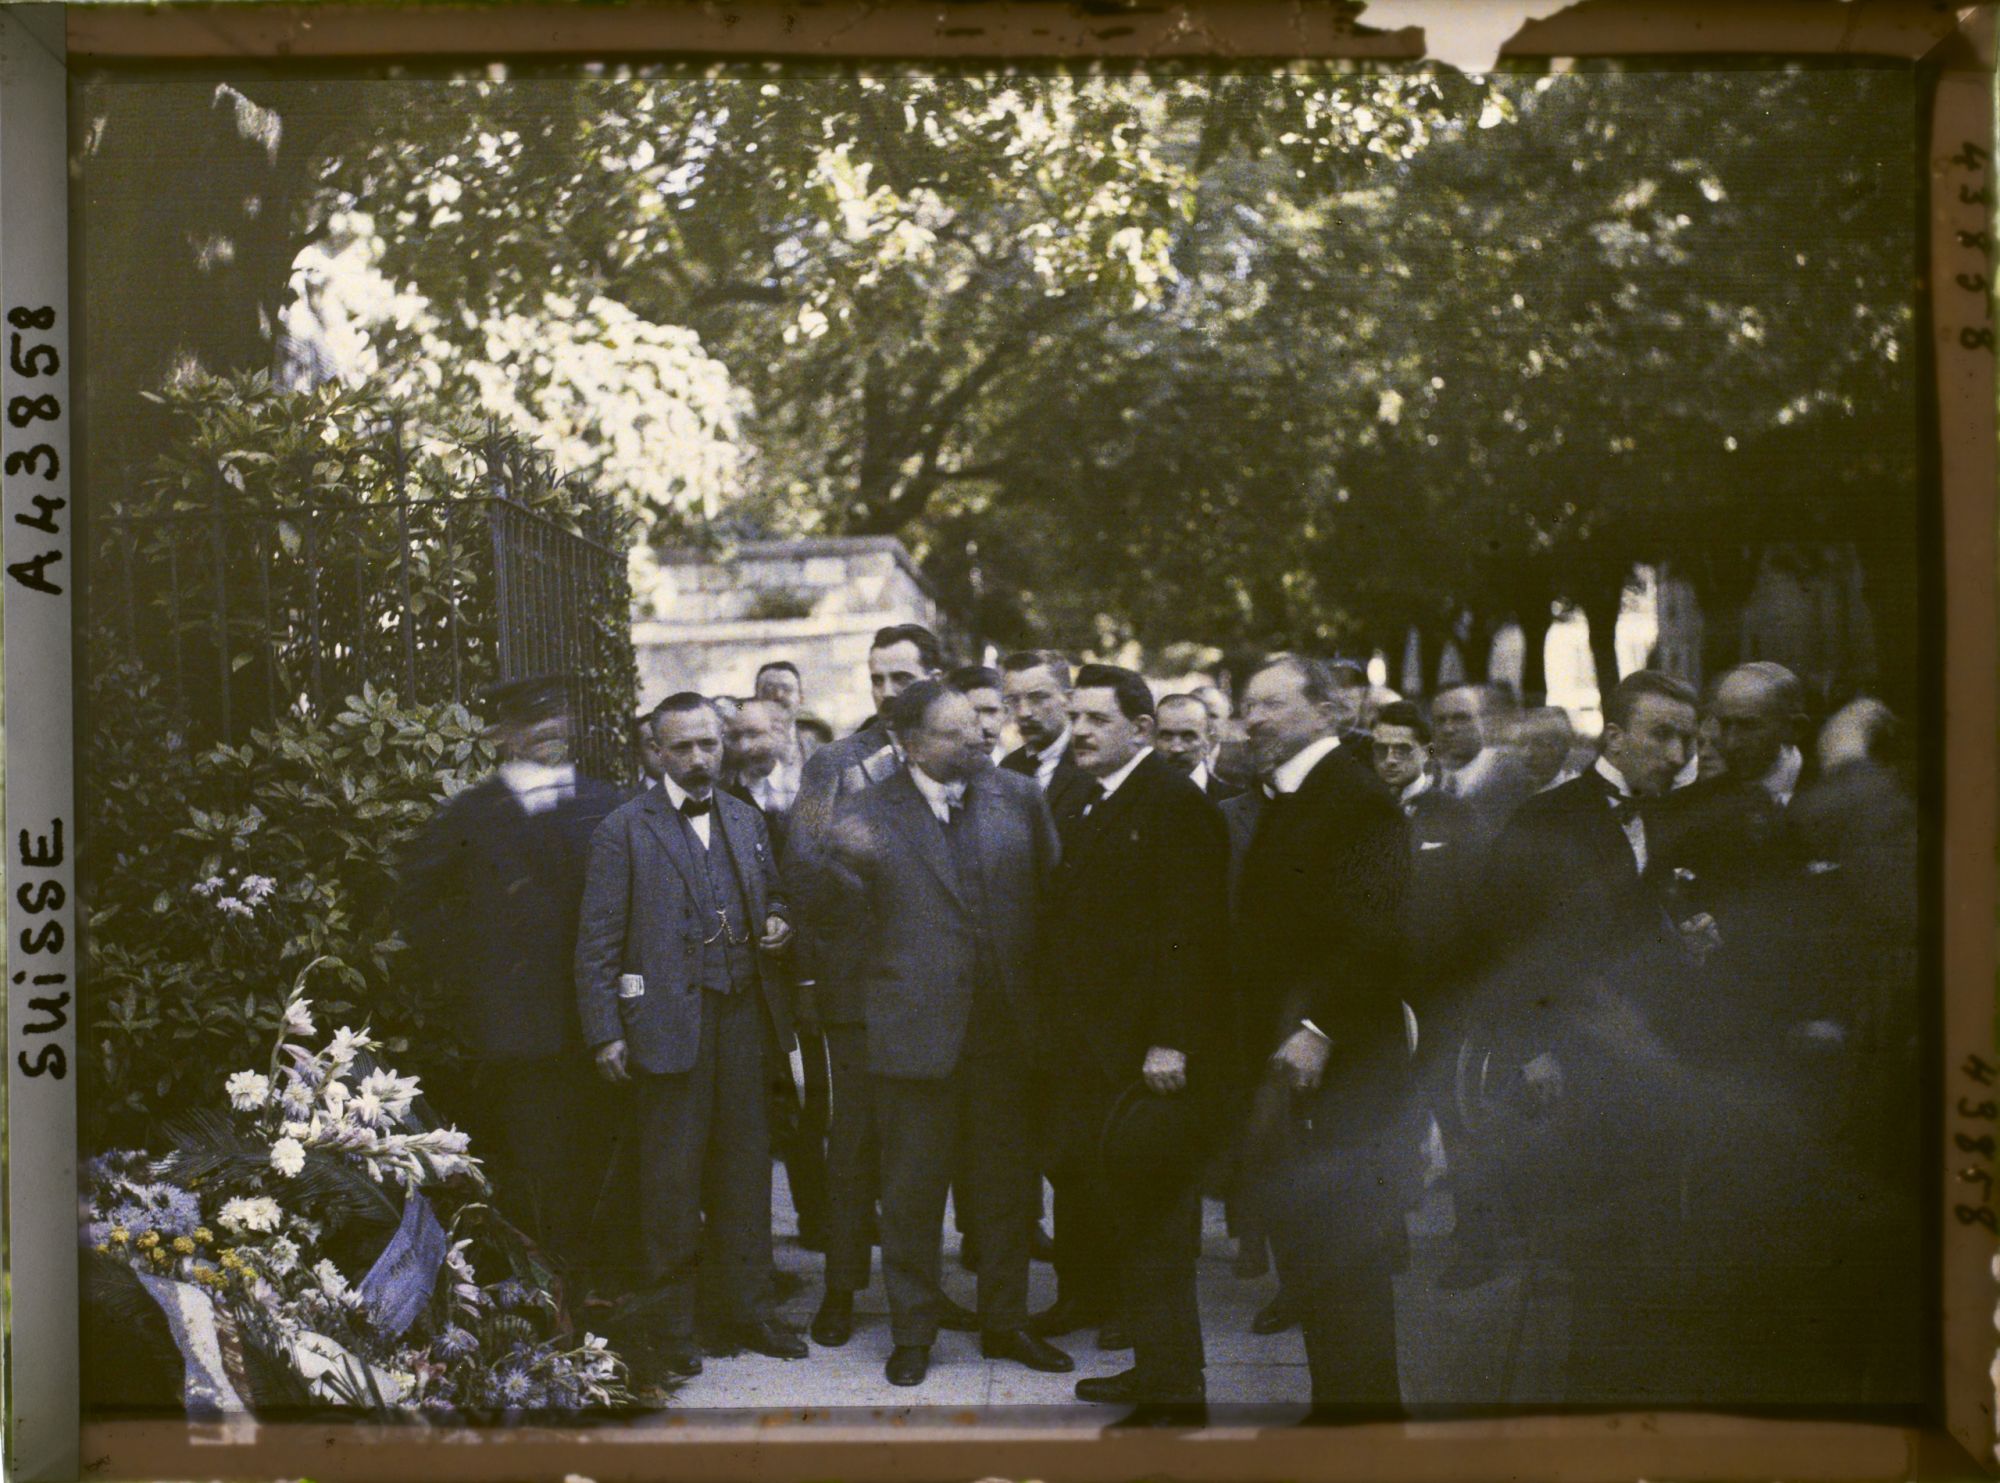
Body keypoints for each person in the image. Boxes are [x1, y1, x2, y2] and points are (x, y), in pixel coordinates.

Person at [823, 680, 1071, 1386]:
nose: (979, 739)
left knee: (1007, 1191)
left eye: (978, 726)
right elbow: (838, 931)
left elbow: (1051, 899)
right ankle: (913, 1333)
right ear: (909, 744)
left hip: (1006, 1035)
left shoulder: (1018, 797)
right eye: (955, 732)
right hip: (913, 1038)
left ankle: (1006, 1322)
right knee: (911, 1195)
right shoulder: (863, 815)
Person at [1474, 669, 1704, 1405]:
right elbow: (1503, 946)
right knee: (1596, 1246)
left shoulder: (1677, 817)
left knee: (1654, 1238)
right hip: (1573, 1068)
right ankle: (1593, 1400)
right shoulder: (1546, 820)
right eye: (1661, 735)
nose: (1676, 754)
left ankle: (1639, 1395)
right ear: (1614, 736)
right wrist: (1530, 1051)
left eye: (1687, 739)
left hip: (1656, 1063)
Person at [574, 693, 809, 1378]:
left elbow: (775, 892)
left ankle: (751, 1310)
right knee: (670, 1180)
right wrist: (604, 1033)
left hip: (744, 1018)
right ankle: (672, 1326)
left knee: (746, 1171)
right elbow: (597, 940)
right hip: (668, 1026)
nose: (700, 757)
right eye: (683, 747)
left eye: (709, 743)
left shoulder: (745, 816)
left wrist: (780, 920)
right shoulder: (623, 828)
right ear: (657, 752)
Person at [1035, 665, 1229, 1418]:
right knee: (1128, 1218)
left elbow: (1193, 935)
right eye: (1076, 718)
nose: (1080, 732)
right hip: (1096, 1049)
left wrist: (1171, 1040)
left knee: (1157, 1225)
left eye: (1098, 719)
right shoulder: (1092, 796)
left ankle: (1176, 1389)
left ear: (1142, 729)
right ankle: (1154, 1369)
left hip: (1147, 1058)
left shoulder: (1174, 803)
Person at [781, 624, 980, 1346]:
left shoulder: (965, 761)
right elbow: (803, 865)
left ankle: (921, 1291)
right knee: (855, 1144)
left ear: (935, 680)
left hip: (942, 993)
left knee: (926, 1153)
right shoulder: (835, 762)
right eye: (876, 678)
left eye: (902, 678)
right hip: (861, 991)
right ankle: (841, 1287)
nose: (887, 692)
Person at [402, 677, 626, 1294]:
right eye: (530, 719)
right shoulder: (472, 815)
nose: (548, 728)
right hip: (521, 1031)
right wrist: (478, 975)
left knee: (604, 1159)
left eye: (557, 715)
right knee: (536, 1162)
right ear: (502, 733)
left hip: (603, 1024)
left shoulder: (606, 802)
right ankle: (547, 1296)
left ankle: (605, 1295)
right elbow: (416, 904)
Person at [1232, 654, 1412, 1417]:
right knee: (1312, 1246)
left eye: (1271, 704)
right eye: (1248, 705)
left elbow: (1377, 932)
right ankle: (1339, 1408)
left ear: (1327, 710)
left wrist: (1320, 1027)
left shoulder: (1353, 797)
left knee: (1345, 1248)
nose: (1253, 719)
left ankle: (1367, 1417)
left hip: (1340, 1062)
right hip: (1295, 1059)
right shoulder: (1293, 794)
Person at [1000, 649, 1091, 818]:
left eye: (1037, 697)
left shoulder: (1093, 765)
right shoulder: (1008, 768)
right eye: (1013, 700)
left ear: (1069, 699)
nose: (1023, 713)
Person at [728, 696, 803, 828]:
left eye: (753, 734)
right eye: (735, 737)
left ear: (780, 732)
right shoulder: (724, 797)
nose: (744, 746)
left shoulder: (805, 784)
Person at [1153, 691, 1243, 801]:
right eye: (1166, 736)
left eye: (1188, 737)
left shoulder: (1235, 801)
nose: (1176, 749)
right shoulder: (1136, 798)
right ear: (1153, 739)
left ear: (1208, 741)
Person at [755, 658, 823, 764]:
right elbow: (737, 705)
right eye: (768, 689)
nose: (778, 695)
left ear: (801, 699)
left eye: (787, 689)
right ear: (755, 698)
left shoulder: (818, 745)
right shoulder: (741, 742)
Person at [948, 663, 1013, 766]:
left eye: (992, 711)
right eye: (971, 713)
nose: (984, 725)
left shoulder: (1017, 766)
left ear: (1005, 713)